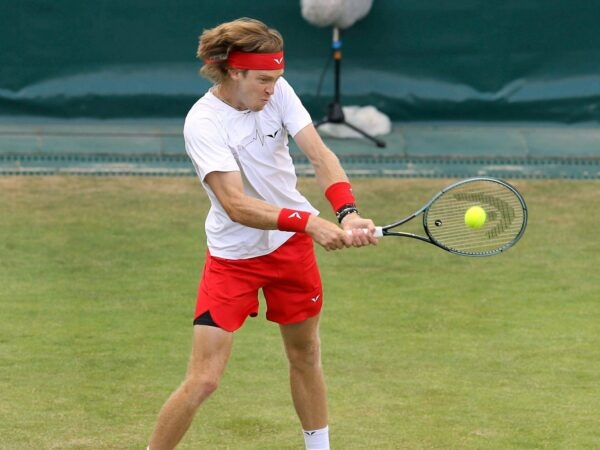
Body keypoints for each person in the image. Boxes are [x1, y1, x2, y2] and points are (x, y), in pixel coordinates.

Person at [147, 17, 378, 450]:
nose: (273, 88)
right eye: (264, 79)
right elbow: (235, 205)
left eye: (277, 78)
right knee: (203, 380)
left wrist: (347, 212)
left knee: (306, 354)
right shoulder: (203, 123)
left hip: (290, 252)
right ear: (235, 72)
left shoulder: (278, 92)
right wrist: (308, 221)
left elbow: (319, 153)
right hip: (233, 259)